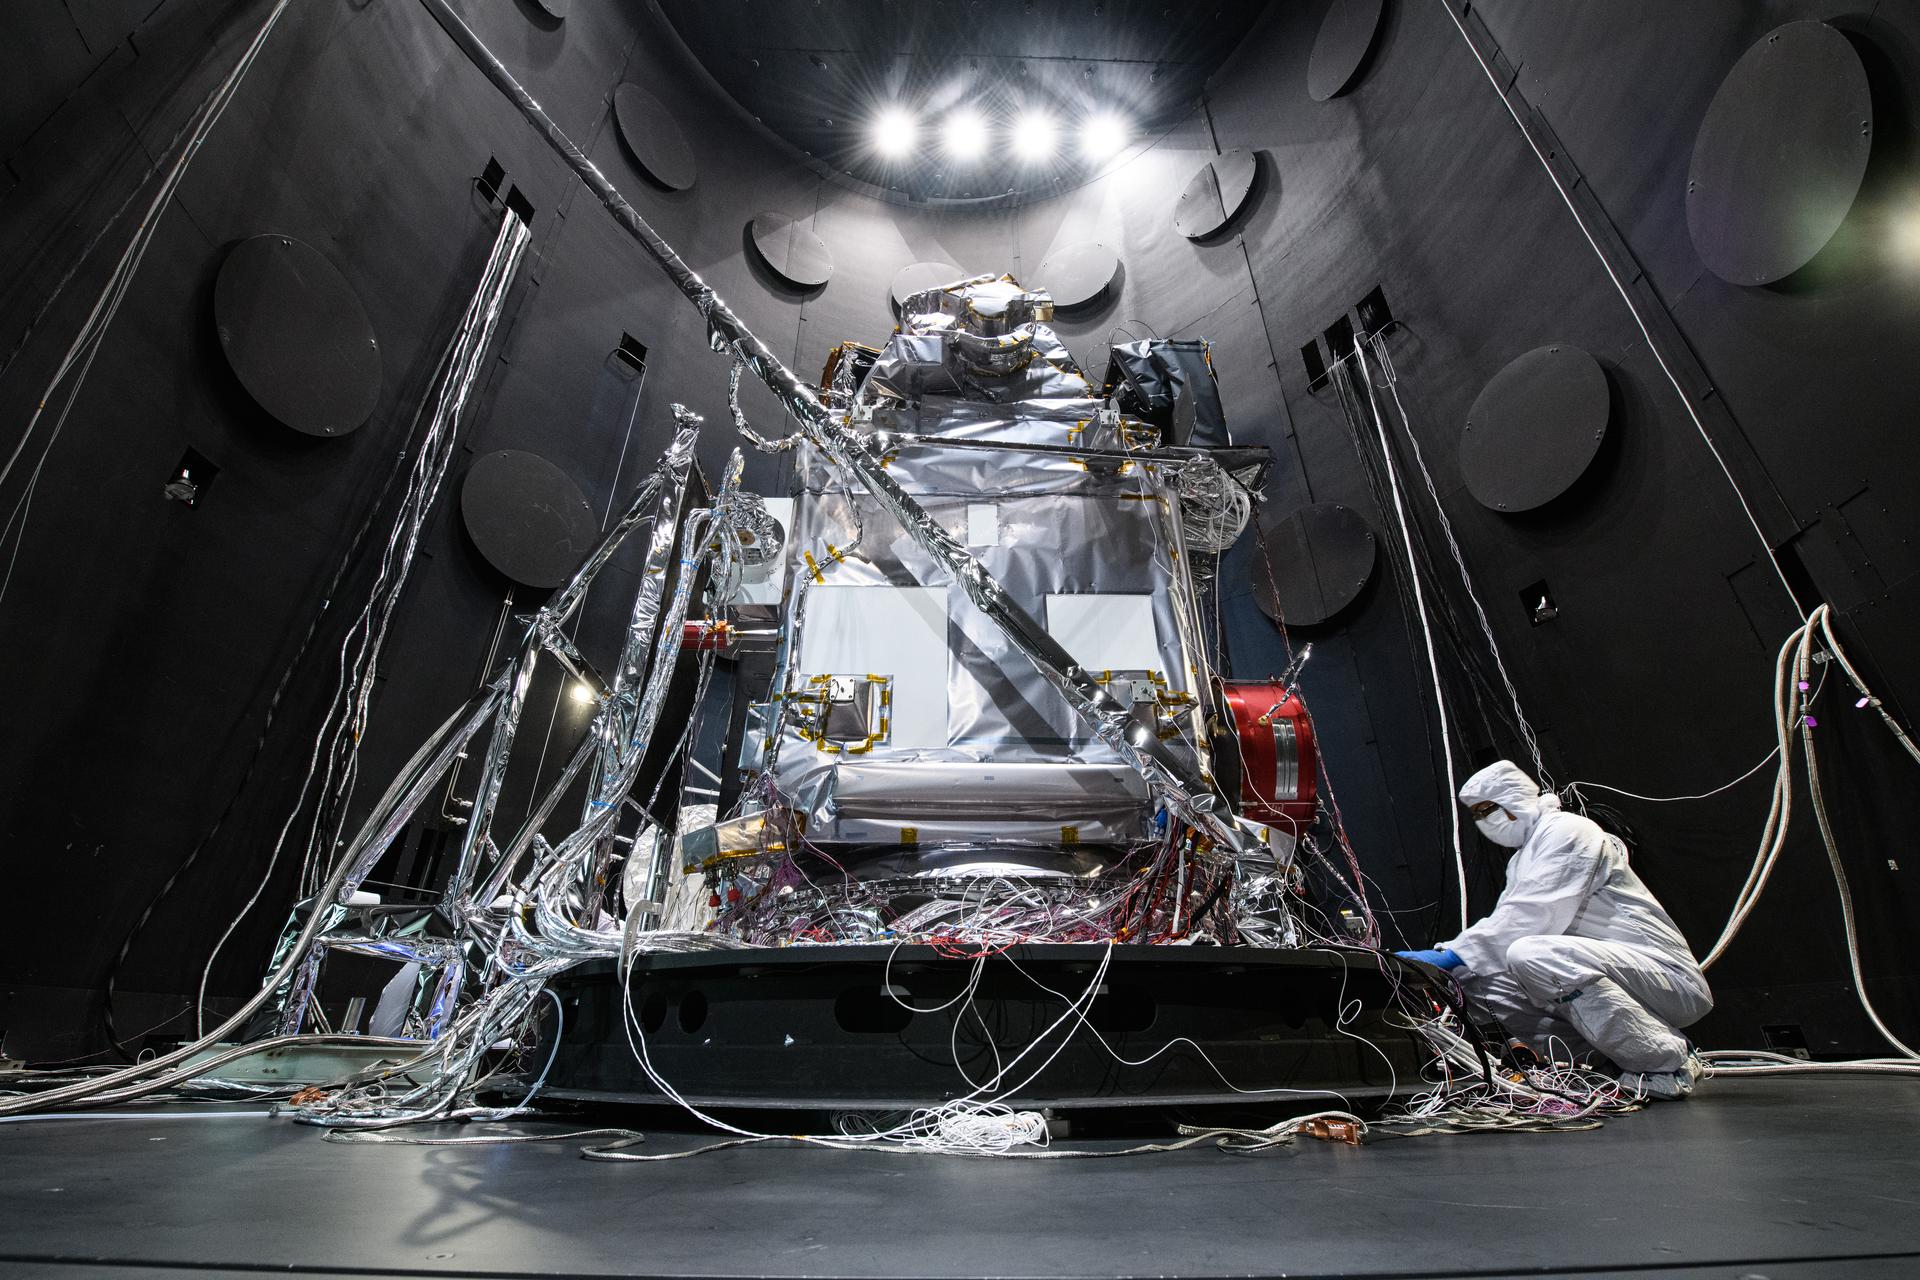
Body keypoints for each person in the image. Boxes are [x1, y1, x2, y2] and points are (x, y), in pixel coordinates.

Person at [1396, 760, 1713, 1099]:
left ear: (1512, 799)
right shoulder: (1522, 859)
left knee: (1529, 954)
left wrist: (1450, 954)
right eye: (1476, 815)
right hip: (1610, 971)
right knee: (1475, 977)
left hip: (1666, 977)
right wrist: (1456, 962)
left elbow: (1530, 914)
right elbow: (1507, 924)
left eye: (1487, 810)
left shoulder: (1568, 830)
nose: (1484, 822)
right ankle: (1607, 1065)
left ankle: (1665, 1063)